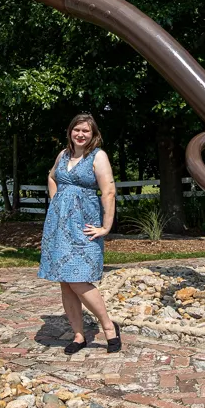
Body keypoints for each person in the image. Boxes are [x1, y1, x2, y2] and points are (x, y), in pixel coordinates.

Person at [39, 113, 121, 354]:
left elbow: (108, 192)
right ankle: (78, 335)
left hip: (83, 226)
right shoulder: (63, 155)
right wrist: (57, 201)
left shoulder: (98, 156)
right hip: (58, 227)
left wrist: (106, 227)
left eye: (86, 131)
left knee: (79, 279)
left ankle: (108, 327)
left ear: (93, 134)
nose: (81, 134)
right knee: (65, 282)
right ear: (70, 132)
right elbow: (52, 176)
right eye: (77, 130)